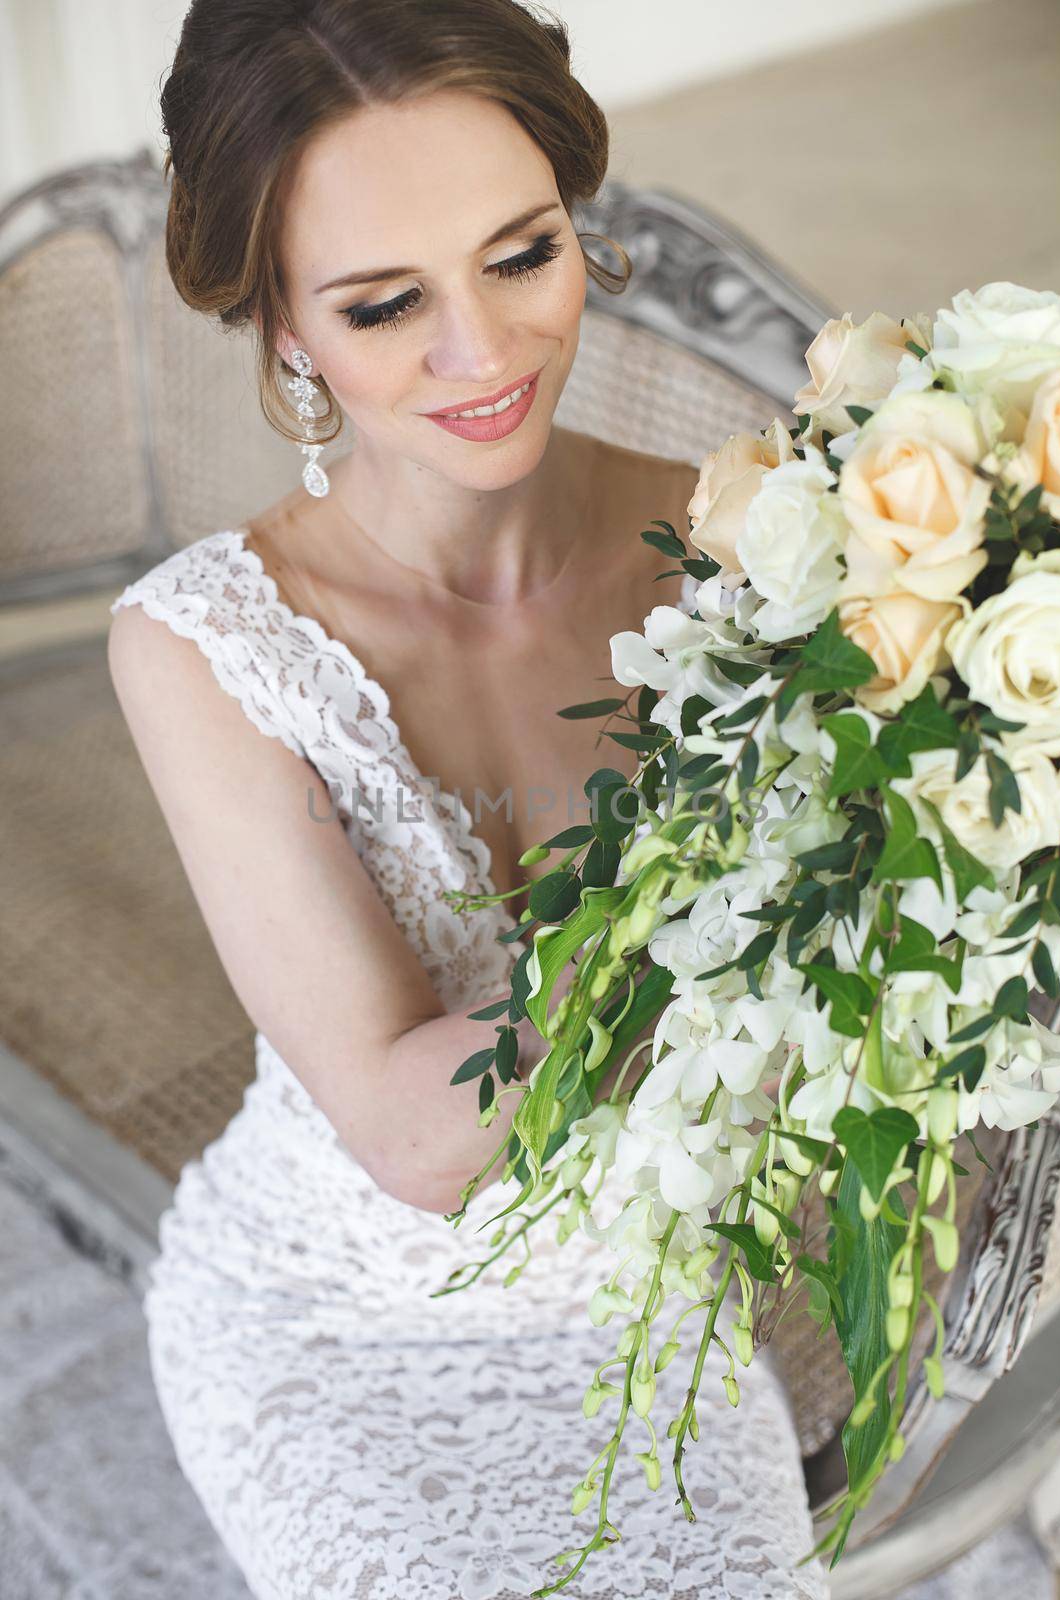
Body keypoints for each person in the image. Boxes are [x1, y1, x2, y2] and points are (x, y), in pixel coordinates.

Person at [107, 2, 830, 1595]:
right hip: (333, 1310)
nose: (483, 353)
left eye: (522, 255)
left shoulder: (762, 543)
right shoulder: (201, 644)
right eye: (383, 305)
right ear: (283, 327)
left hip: (646, 1309)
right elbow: (412, 1136)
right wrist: (767, 875)